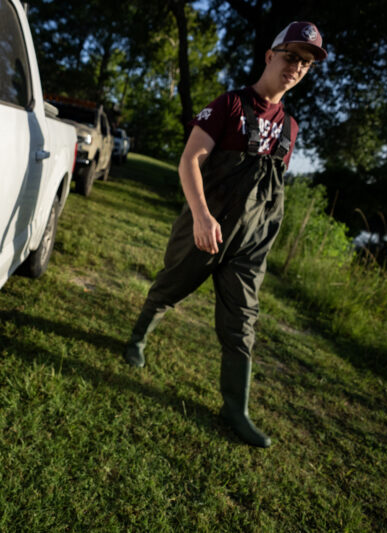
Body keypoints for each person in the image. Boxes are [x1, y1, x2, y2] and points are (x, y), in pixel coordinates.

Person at [123, 22, 327, 448]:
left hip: (251, 243)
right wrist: (200, 216)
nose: (297, 67)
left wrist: (263, 235)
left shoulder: (290, 128)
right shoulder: (230, 104)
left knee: (242, 324)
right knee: (170, 286)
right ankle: (137, 339)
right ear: (270, 56)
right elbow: (189, 160)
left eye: (305, 63)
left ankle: (236, 409)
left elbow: (269, 187)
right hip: (207, 227)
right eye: (291, 56)